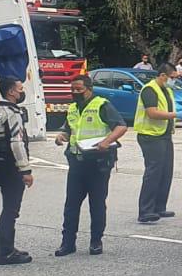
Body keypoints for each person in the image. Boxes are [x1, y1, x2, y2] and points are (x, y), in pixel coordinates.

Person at [55, 74, 128, 255]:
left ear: (89, 89)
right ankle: (68, 243)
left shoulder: (101, 105)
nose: (75, 92)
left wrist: (106, 141)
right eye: (72, 89)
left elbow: (121, 126)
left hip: (97, 163)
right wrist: (61, 136)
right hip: (76, 162)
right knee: (71, 205)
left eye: (79, 89)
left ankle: (96, 241)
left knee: (97, 204)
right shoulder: (73, 108)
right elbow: (69, 129)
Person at [0, 77, 34, 265]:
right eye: (20, 89)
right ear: (11, 92)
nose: (22, 92)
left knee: (8, 207)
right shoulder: (12, 113)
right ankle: (6, 252)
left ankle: (3, 248)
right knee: (11, 210)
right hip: (12, 166)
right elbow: (17, 143)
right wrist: (25, 170)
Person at [135, 63, 179, 223]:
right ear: (163, 75)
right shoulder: (149, 90)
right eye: (172, 77)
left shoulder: (167, 90)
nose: (174, 81)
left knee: (166, 172)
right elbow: (152, 113)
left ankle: (159, 207)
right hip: (150, 136)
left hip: (164, 135)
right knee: (153, 173)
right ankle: (145, 211)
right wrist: (174, 115)